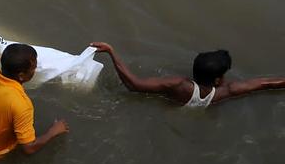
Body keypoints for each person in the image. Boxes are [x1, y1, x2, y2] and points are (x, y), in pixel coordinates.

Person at [0, 43, 69, 161]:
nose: (35, 70)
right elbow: (29, 148)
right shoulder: (22, 104)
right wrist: (53, 132)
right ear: (21, 75)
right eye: (33, 68)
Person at [90, 42, 285, 107]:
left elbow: (134, 85)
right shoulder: (225, 92)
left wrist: (111, 51)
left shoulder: (179, 85)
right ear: (218, 79)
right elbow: (265, 83)